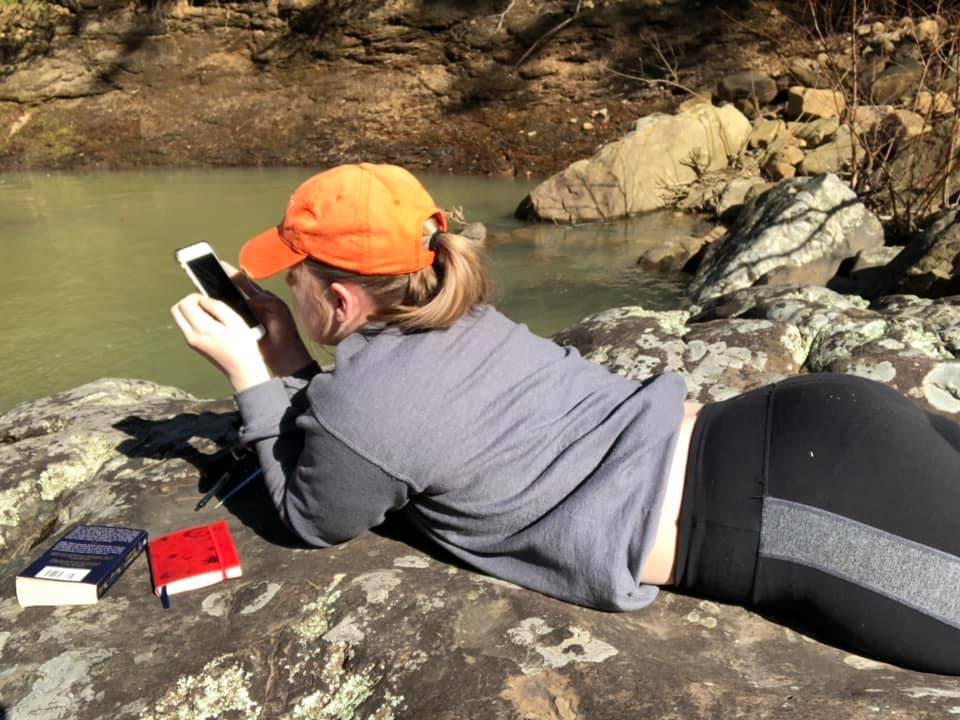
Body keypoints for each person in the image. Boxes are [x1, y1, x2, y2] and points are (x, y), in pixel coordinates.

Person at [172, 163, 960, 675]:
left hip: (791, 514)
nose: (291, 293)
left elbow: (310, 515)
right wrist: (291, 367)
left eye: (297, 279)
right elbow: (359, 437)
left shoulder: (366, 409)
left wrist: (252, 374)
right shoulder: (458, 317)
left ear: (338, 302)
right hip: (802, 431)